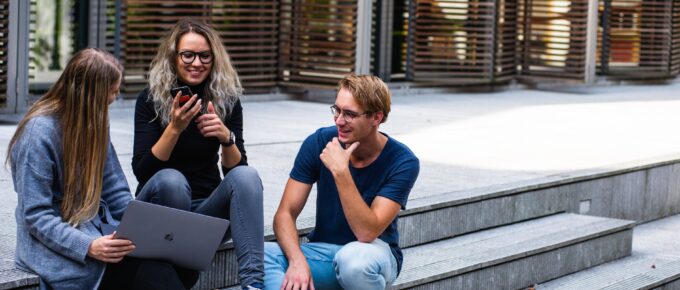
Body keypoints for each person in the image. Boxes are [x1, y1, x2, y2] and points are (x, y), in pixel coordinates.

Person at [7, 48, 196, 290]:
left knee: (183, 265)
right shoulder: (38, 134)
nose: (115, 98)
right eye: (112, 92)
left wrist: (140, 230)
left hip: (99, 228)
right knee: (156, 275)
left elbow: (115, 191)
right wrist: (89, 246)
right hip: (61, 244)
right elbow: (36, 216)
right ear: (90, 96)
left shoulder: (94, 121)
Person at [132, 19, 264, 290]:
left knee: (247, 176)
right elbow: (143, 172)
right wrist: (175, 128)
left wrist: (226, 139)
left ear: (214, 59)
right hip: (161, 210)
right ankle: (176, 267)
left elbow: (236, 175)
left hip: (205, 213)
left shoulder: (225, 100)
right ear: (173, 57)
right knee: (171, 180)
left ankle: (253, 285)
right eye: (188, 55)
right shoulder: (150, 100)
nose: (196, 63)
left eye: (205, 55)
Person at [264, 75, 420, 290]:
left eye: (349, 114)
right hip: (324, 252)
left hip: (371, 256)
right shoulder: (319, 141)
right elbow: (285, 214)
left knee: (353, 261)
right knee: (261, 254)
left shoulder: (402, 161)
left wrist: (340, 171)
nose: (338, 120)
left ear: (376, 117)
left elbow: (367, 233)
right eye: (336, 110)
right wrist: (297, 261)